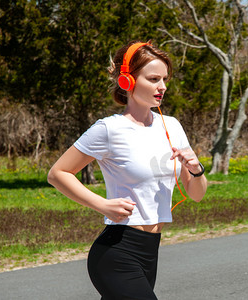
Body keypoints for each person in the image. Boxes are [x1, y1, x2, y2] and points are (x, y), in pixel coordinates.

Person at [47, 40, 207, 300]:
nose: (162, 87)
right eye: (154, 78)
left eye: (165, 79)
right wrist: (102, 205)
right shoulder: (109, 129)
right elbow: (58, 173)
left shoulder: (173, 126)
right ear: (127, 81)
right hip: (117, 252)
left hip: (150, 251)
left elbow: (197, 194)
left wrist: (196, 169)